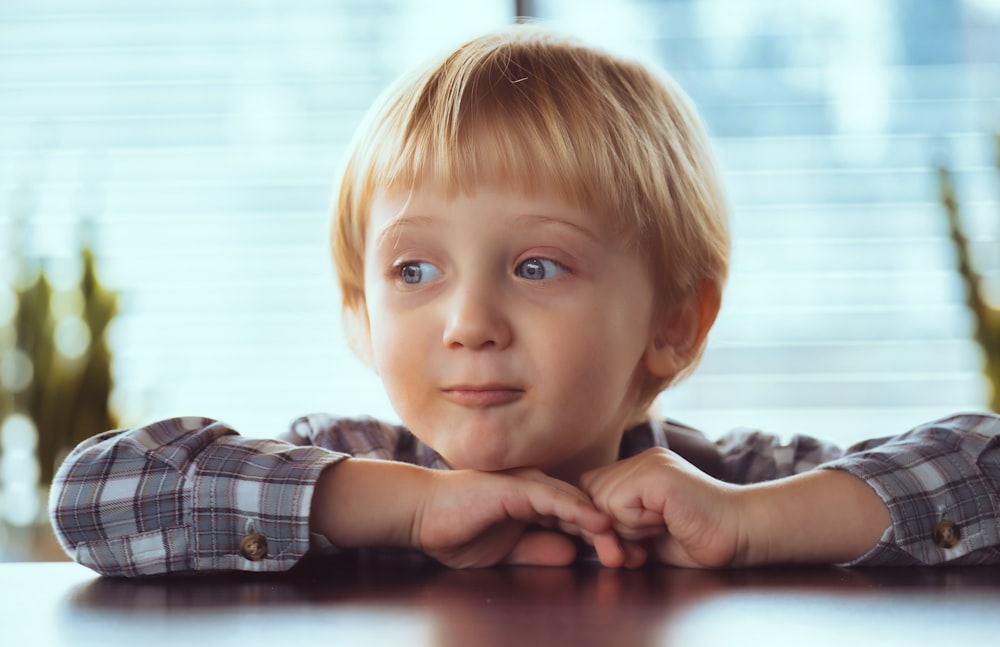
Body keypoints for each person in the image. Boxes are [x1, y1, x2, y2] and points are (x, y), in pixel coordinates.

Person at [49, 26, 1000, 577]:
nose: (469, 323)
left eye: (537, 266)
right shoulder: (349, 466)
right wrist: (408, 509)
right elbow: (97, 496)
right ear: (357, 314)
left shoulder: (736, 482)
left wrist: (757, 527)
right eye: (413, 272)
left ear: (675, 322)